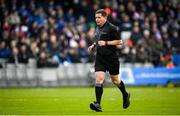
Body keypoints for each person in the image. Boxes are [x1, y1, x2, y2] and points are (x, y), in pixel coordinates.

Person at [88, 9, 130, 112]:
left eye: (99, 17)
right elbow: (98, 39)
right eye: (96, 17)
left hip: (111, 58)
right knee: (99, 79)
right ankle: (98, 104)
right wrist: (93, 45)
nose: (97, 19)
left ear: (105, 17)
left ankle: (125, 94)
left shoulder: (112, 28)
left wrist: (106, 43)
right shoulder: (97, 28)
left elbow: (120, 42)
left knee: (115, 81)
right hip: (100, 57)